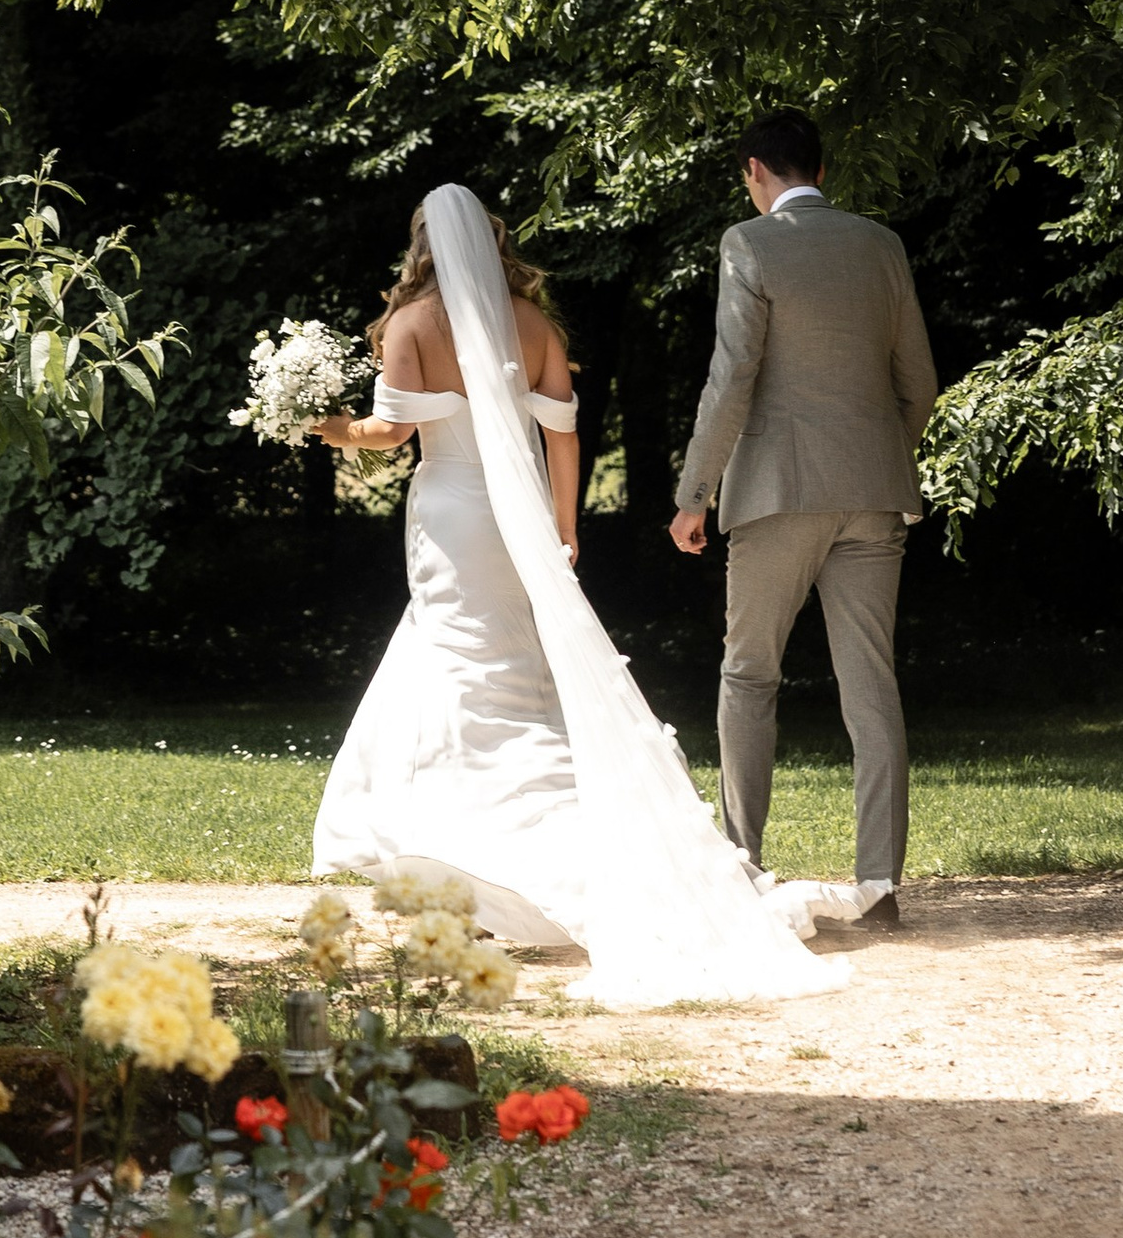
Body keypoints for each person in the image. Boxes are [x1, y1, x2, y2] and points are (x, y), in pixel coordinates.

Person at [308, 182, 838, 1008]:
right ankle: (485, 856)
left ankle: (479, 849)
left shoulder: (412, 325)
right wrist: (563, 529)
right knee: (507, 669)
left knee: (462, 665)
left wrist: (321, 423)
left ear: (422, 246)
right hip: (519, 520)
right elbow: (563, 434)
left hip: (451, 516)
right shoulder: (537, 326)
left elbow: (391, 434)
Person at [668, 108, 938, 928]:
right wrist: (883, 453)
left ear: (755, 170)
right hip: (874, 488)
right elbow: (918, 382)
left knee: (750, 675)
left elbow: (733, 374)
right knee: (871, 685)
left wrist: (694, 491)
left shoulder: (748, 246)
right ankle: (881, 885)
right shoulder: (881, 244)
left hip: (777, 491)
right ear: (820, 168)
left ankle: (744, 866)